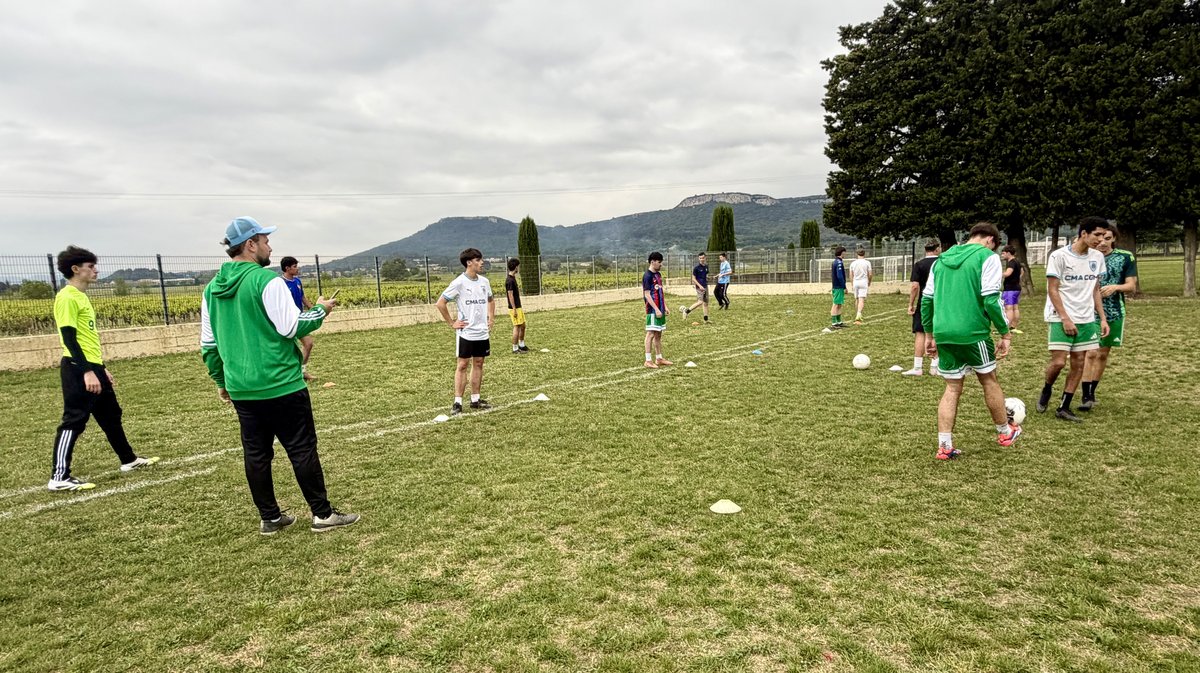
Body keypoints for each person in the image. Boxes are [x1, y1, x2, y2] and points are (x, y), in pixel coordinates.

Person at [201, 217, 358, 535]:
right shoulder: (265, 281)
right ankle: (323, 515)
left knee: (256, 454)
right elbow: (292, 326)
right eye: (265, 240)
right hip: (281, 384)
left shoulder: (210, 291)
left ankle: (270, 518)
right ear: (250, 245)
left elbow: (208, 345)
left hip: (242, 388)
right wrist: (321, 309)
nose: (269, 246)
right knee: (301, 448)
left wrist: (222, 382)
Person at [47, 246, 159, 491]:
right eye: (90, 266)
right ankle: (59, 476)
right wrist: (87, 371)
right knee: (74, 419)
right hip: (78, 368)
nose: (96, 270)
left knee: (111, 415)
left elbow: (87, 338)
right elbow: (69, 339)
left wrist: (101, 368)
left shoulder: (81, 296)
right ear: (76, 269)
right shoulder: (66, 297)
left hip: (93, 366)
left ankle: (128, 460)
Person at [921, 222, 1021, 460]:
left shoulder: (941, 260)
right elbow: (990, 299)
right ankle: (1005, 432)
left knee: (952, 387)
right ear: (990, 240)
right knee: (989, 380)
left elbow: (927, 301)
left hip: (944, 332)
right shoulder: (987, 257)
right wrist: (1005, 333)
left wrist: (929, 335)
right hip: (973, 333)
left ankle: (945, 446)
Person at [1037, 216, 1111, 422]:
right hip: (1060, 316)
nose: (1101, 240)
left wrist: (1102, 318)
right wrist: (1065, 318)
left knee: (1079, 363)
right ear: (1083, 233)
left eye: (1104, 236)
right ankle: (1047, 388)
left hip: (1086, 317)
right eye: (1097, 235)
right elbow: (1053, 289)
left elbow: (1095, 289)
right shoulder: (1059, 256)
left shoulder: (1097, 257)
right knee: (1059, 362)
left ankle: (1064, 406)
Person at [1079, 225, 1137, 411]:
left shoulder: (1125, 257)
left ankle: (1093, 390)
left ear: (1114, 239)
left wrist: (1115, 288)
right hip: (1088, 311)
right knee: (1091, 352)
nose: (1103, 242)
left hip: (1113, 311)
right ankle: (1085, 394)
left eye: (1108, 238)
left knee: (1103, 354)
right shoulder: (1086, 256)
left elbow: (1131, 286)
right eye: (1100, 237)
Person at [436, 248, 495, 414]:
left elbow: (491, 300)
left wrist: (491, 317)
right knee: (462, 365)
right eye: (478, 260)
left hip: (482, 332)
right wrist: (452, 323)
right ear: (469, 262)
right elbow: (440, 303)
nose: (481, 262)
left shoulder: (484, 282)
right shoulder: (459, 283)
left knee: (479, 363)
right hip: (466, 333)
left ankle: (475, 400)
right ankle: (458, 402)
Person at [903, 240, 940, 376]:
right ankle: (935, 366)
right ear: (937, 249)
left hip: (924, 301)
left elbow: (914, 286)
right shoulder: (942, 263)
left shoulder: (919, 264)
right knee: (939, 331)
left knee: (920, 332)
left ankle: (918, 367)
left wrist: (911, 304)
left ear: (925, 250)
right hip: (940, 301)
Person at [279, 256, 316, 381]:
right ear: (287, 268)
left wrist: (316, 310)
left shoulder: (298, 281)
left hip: (298, 319)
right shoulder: (280, 283)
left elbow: (302, 298)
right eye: (294, 266)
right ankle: (287, 375)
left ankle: (302, 371)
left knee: (309, 344)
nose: (297, 268)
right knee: (287, 350)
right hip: (285, 321)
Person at [642, 251, 672, 368]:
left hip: (660, 309)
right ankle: (648, 360)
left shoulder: (658, 275)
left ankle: (659, 358)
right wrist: (656, 309)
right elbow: (647, 295)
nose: (661, 265)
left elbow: (660, 292)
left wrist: (664, 307)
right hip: (652, 310)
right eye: (659, 262)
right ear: (652, 262)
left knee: (658, 333)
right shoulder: (647, 276)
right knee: (650, 334)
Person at [505, 257, 529, 354]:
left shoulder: (512, 278)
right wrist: (514, 309)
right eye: (518, 266)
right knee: (517, 327)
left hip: (518, 307)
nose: (519, 268)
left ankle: (522, 345)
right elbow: (510, 295)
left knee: (523, 325)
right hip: (514, 308)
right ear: (515, 267)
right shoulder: (509, 281)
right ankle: (515, 348)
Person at [680, 252, 710, 322]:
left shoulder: (706, 266)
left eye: (703, 258)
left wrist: (708, 279)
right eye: (700, 258)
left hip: (705, 286)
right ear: (698, 259)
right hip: (699, 287)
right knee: (700, 302)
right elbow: (693, 278)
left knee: (706, 303)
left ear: (705, 258)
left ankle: (706, 320)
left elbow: (705, 275)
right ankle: (686, 311)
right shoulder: (696, 268)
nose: (701, 259)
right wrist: (700, 286)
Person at [824, 246, 848, 332]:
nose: (846, 254)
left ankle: (839, 322)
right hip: (838, 287)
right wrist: (844, 286)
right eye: (845, 252)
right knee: (835, 304)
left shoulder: (837, 261)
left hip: (837, 286)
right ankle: (834, 323)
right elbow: (840, 276)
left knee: (839, 304)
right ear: (842, 253)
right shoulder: (838, 263)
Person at [1000, 246, 1024, 334]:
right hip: (1016, 288)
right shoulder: (1017, 261)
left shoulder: (1011, 263)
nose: (1002, 255)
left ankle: (1006, 329)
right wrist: (1016, 279)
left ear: (1009, 253)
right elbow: (1022, 272)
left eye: (1003, 253)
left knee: (1008, 308)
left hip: (1010, 289)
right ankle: (1013, 327)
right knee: (1015, 308)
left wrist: (997, 274)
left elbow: (1007, 273)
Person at [849, 248, 873, 324]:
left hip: (856, 281)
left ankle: (858, 314)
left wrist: (852, 283)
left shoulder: (853, 263)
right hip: (863, 281)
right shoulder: (867, 262)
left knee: (856, 299)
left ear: (857, 254)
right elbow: (870, 274)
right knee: (861, 299)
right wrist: (869, 281)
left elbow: (851, 274)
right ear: (864, 254)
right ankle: (859, 314)